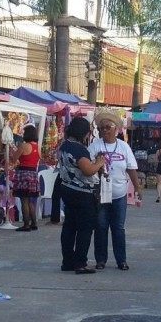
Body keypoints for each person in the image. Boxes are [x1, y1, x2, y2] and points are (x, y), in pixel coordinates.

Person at [89, 111, 142, 271]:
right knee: (101, 227)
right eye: (101, 128)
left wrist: (137, 187)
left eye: (107, 127)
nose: (104, 130)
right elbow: (88, 167)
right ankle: (101, 260)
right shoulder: (95, 145)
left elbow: (131, 168)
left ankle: (121, 260)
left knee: (118, 228)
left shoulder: (124, 147)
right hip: (101, 195)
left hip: (119, 194)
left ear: (116, 129)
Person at [58, 117, 106, 273]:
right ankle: (80, 263)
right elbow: (88, 170)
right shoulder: (79, 149)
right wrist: (99, 163)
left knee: (69, 227)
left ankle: (67, 261)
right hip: (83, 193)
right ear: (85, 133)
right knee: (84, 229)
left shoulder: (65, 146)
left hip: (67, 189)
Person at [11, 123, 40, 232]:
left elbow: (14, 158)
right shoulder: (37, 147)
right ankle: (34, 223)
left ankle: (26, 224)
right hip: (33, 174)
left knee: (24, 200)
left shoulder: (23, 146)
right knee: (31, 200)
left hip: (23, 173)